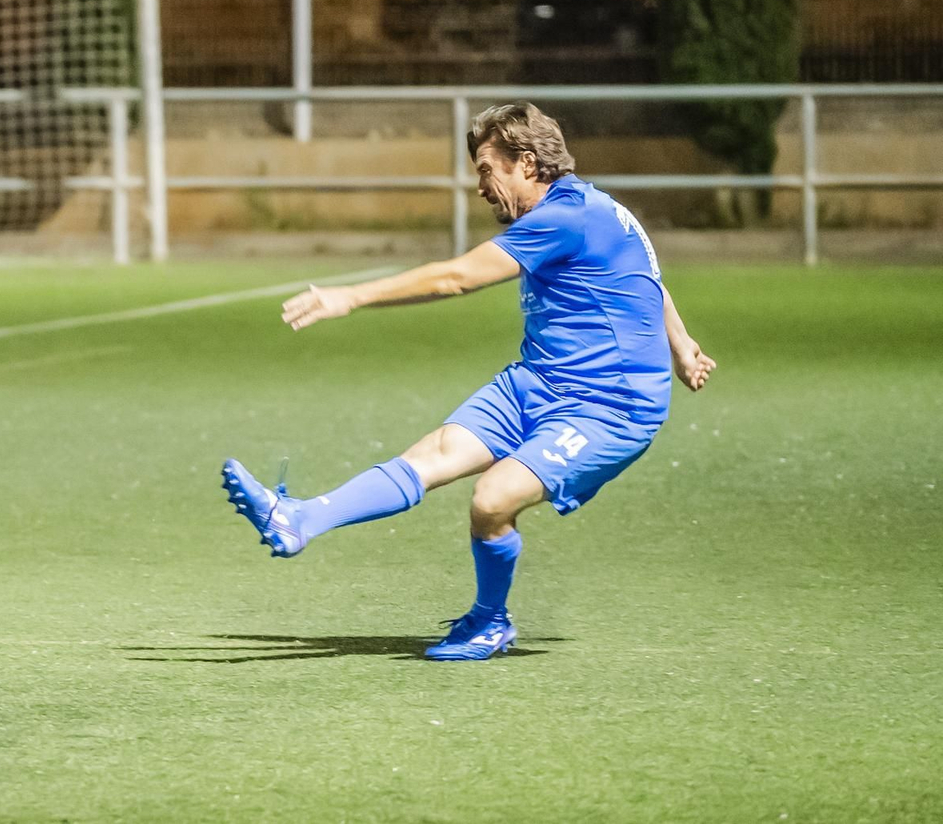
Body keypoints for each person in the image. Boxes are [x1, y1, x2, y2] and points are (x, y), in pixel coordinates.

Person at [221, 102, 716, 661]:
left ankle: (489, 621)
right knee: (436, 452)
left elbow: (457, 278)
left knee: (492, 499)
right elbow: (648, 277)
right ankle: (299, 518)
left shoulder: (566, 217)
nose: (480, 186)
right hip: (540, 380)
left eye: (486, 169)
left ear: (527, 163)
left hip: (610, 407)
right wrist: (682, 344)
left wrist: (350, 296)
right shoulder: (597, 210)